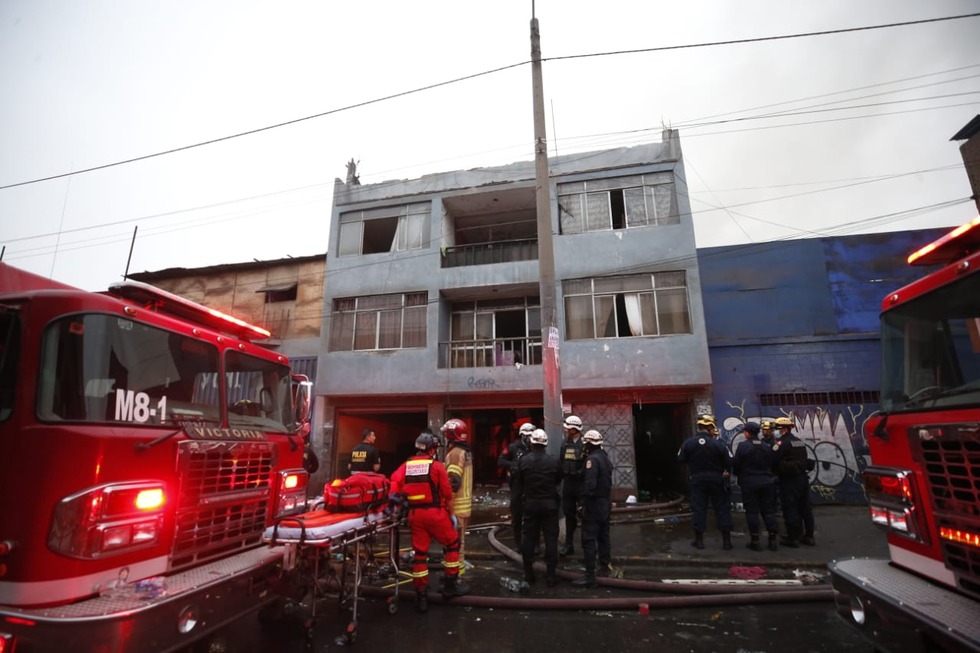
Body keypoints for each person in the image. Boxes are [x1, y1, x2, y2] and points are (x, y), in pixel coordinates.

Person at [389, 432, 470, 613]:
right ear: (432, 449)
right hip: (436, 514)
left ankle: (421, 594)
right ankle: (450, 585)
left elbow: (394, 486)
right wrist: (452, 514)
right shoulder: (436, 466)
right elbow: (447, 493)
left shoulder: (405, 466)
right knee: (452, 544)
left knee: (419, 554)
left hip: (415, 515)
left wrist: (396, 508)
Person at [512, 428, 562, 588]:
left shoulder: (523, 461)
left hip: (531, 505)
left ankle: (529, 574)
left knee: (529, 539)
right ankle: (551, 575)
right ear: (545, 444)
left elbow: (518, 482)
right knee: (551, 540)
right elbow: (558, 479)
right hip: (550, 505)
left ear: (531, 443)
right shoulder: (554, 461)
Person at [676, 415, 734, 550]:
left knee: (699, 508)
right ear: (710, 428)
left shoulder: (688, 443)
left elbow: (680, 459)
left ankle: (699, 540)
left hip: (697, 479)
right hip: (717, 479)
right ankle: (727, 541)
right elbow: (730, 461)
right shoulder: (719, 444)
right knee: (722, 508)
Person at [572, 429, 612, 588]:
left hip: (594, 504)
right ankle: (605, 565)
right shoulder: (605, 457)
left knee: (588, 538)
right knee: (604, 535)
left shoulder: (592, 460)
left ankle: (590, 575)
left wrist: (582, 504)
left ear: (589, 444)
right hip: (605, 503)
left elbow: (590, 485)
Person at [733, 421, 780, 551]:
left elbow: (736, 465)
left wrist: (740, 475)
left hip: (749, 483)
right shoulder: (766, 446)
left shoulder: (743, 446)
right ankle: (772, 539)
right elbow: (772, 463)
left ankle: (755, 540)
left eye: (744, 431)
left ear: (747, 433)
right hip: (766, 481)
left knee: (752, 512)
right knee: (768, 511)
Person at [771, 416, 816, 547]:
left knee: (790, 507)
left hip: (789, 480)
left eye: (778, 429)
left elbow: (773, 459)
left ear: (782, 429)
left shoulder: (781, 443)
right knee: (805, 508)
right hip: (802, 478)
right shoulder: (799, 442)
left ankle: (792, 538)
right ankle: (809, 536)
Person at [441, 418, 474, 569]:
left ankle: (455, 565)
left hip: (456, 505)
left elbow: (453, 481)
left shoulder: (455, 453)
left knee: (454, 538)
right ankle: (460, 560)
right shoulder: (466, 452)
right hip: (465, 505)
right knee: (460, 538)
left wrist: (447, 503)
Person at [497, 421, 534, 549]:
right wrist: (513, 465)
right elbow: (501, 460)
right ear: (522, 435)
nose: (529, 438)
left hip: (531, 486)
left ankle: (533, 544)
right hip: (517, 486)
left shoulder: (536, 447)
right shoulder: (513, 447)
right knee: (517, 515)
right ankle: (518, 543)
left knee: (532, 516)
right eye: (527, 435)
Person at [558, 415, 585, 556]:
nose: (567, 430)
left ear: (575, 429)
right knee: (569, 514)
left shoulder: (585, 443)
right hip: (568, 482)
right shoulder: (565, 443)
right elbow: (561, 460)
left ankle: (587, 546)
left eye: (569, 428)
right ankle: (569, 545)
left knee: (584, 514)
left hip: (581, 483)